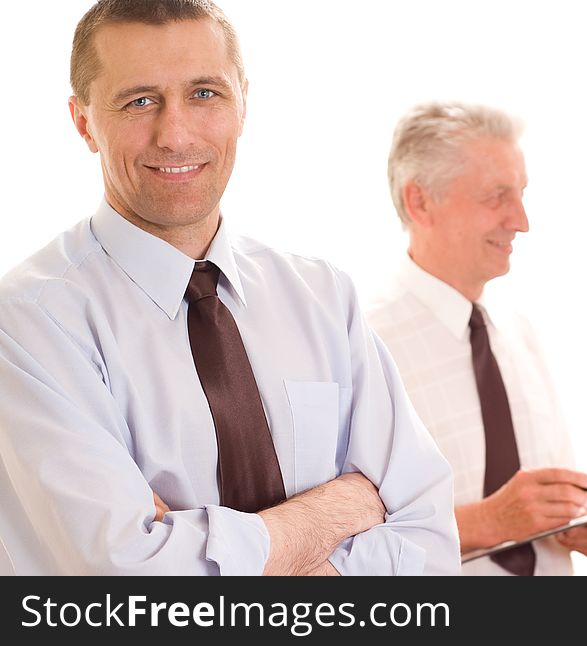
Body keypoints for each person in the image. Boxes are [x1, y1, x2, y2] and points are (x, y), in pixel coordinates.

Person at [0, 0, 459, 576]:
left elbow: (431, 544)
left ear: (244, 101)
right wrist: (343, 505)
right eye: (139, 101)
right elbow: (134, 582)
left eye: (204, 94)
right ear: (83, 120)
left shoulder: (323, 296)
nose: (176, 134)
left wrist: (199, 549)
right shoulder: (29, 323)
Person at [367, 102, 587, 576]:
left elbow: (552, 491)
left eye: (522, 194)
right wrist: (488, 521)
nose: (522, 220)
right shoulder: (363, 346)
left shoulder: (518, 330)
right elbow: (344, 543)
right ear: (420, 202)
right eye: (497, 196)